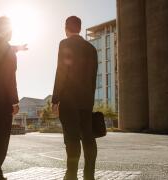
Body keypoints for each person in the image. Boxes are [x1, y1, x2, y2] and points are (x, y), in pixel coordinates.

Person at [52, 16, 98, 180]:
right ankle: (89, 176)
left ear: (66, 28)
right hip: (86, 101)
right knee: (88, 138)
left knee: (71, 138)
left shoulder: (65, 44)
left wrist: (55, 99)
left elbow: (61, 71)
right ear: (79, 27)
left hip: (69, 100)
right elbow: (93, 78)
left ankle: (71, 175)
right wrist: (90, 101)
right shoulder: (91, 48)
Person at [0, 16, 27, 180]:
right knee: (2, 138)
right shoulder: (6, 49)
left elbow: (3, 50)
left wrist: (17, 48)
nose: (12, 32)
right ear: (5, 29)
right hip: (4, 100)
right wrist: (14, 101)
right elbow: (10, 77)